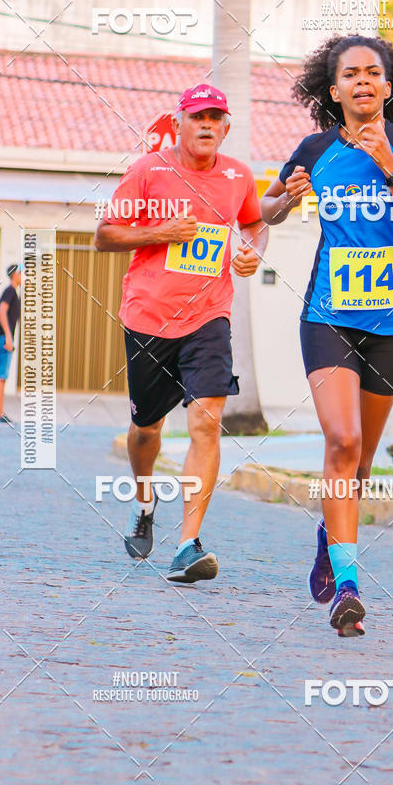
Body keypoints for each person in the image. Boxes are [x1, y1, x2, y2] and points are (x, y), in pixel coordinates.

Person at [261, 35, 393, 637]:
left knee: (359, 462)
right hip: (329, 316)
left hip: (392, 324)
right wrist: (285, 199)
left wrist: (391, 166)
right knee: (341, 441)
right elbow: (267, 210)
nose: (363, 81)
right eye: (350, 74)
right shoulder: (316, 148)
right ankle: (348, 586)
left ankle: (328, 534)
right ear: (332, 90)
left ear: (389, 88)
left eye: (373, 73)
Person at [95, 83, 267, 582]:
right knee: (147, 428)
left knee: (207, 424)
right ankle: (144, 500)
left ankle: (189, 544)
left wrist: (253, 250)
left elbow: (254, 223)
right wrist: (159, 233)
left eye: (216, 116)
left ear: (226, 127)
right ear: (179, 123)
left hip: (210, 315)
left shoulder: (238, 176)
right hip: (148, 316)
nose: (207, 124)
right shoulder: (148, 171)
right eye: (198, 116)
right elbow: (105, 235)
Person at [0, 263, 22, 424]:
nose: (24, 276)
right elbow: (1, 311)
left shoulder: (10, 292)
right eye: (22, 273)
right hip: (2, 338)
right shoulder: (10, 291)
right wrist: (9, 336)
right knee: (0, 377)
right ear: (15, 275)